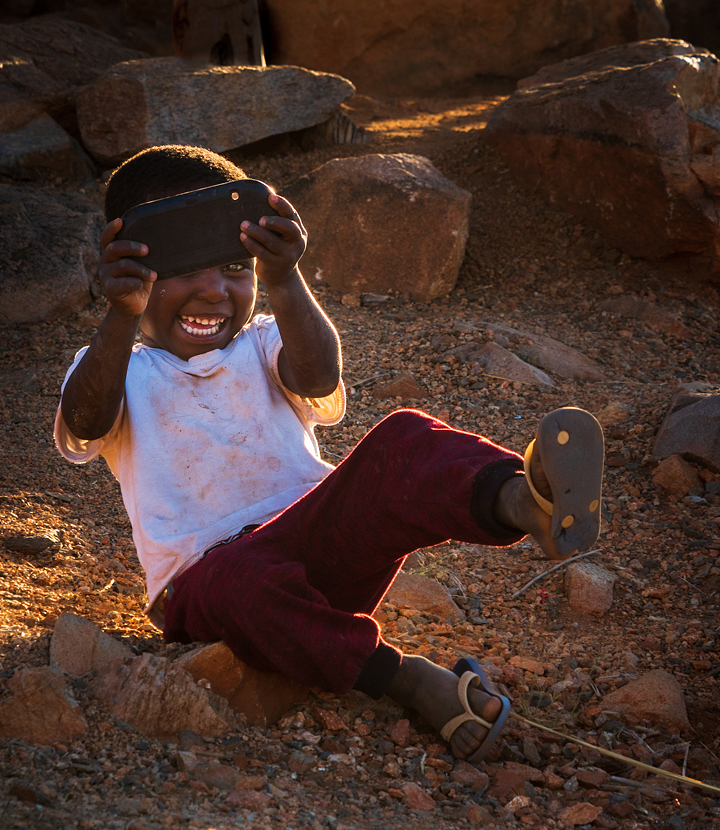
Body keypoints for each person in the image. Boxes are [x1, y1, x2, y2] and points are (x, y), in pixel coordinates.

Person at [55, 144, 604, 766]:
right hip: (209, 586)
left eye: (237, 267)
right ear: (128, 269)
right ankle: (404, 678)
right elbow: (85, 418)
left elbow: (316, 379)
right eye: (185, 270)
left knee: (401, 439)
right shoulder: (117, 363)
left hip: (320, 549)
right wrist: (117, 316)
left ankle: (522, 501)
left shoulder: (264, 342)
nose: (214, 291)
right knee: (243, 582)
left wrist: (286, 281)